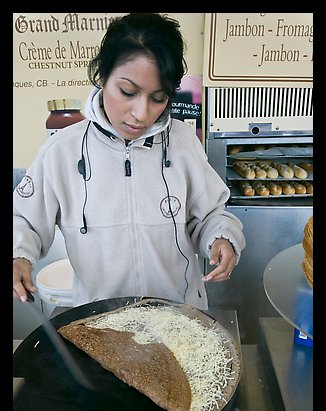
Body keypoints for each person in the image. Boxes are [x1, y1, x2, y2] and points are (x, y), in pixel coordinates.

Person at [13, 12, 245, 311]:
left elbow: (210, 214)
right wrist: (19, 253)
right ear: (102, 76)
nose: (141, 114)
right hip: (101, 321)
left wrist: (221, 238)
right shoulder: (62, 150)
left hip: (178, 316)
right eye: (127, 92)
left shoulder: (183, 143)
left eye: (158, 98)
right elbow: (25, 220)